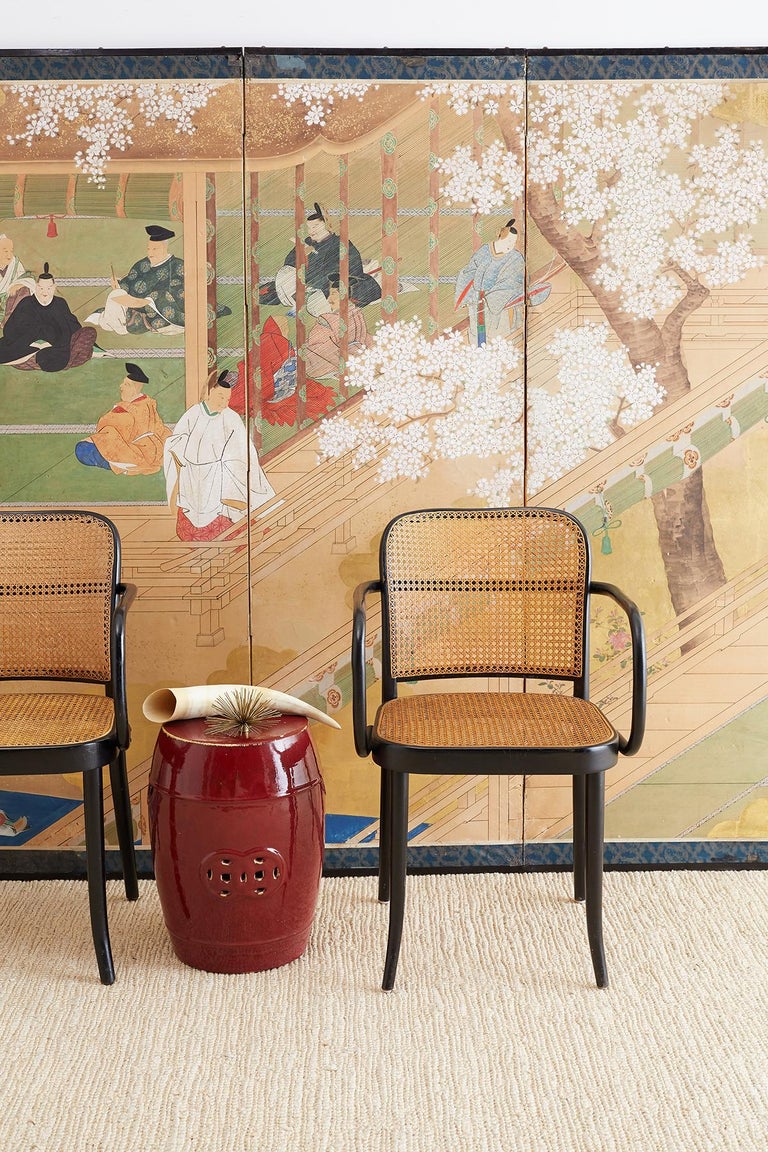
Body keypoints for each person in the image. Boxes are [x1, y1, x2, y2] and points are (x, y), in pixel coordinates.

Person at [164, 367, 275, 541]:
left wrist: (227, 463)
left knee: (227, 512)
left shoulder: (231, 418)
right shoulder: (192, 414)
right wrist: (184, 452)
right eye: (220, 397)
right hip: (192, 476)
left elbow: (242, 449)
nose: (224, 403)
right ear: (208, 393)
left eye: (228, 399)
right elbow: (175, 441)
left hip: (219, 475)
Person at [259, 202, 381, 313]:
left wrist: (313, 278)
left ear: (326, 225)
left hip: (335, 286)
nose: (311, 231)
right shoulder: (307, 242)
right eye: (309, 228)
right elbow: (290, 263)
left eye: (315, 226)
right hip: (309, 283)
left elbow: (346, 271)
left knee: (315, 308)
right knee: (269, 291)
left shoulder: (340, 244)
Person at [75, 362, 172, 475]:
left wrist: (92, 439)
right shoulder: (148, 404)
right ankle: (125, 463)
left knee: (82, 449)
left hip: (134, 453)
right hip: (150, 451)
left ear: (135, 389)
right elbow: (160, 429)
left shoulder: (128, 410)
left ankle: (121, 464)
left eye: (126, 384)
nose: (121, 386)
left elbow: (109, 427)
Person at [86, 224, 185, 335]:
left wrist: (149, 301)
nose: (150, 253)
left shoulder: (178, 266)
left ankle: (117, 321)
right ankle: (118, 319)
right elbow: (130, 280)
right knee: (116, 294)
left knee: (127, 317)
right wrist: (118, 286)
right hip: (131, 306)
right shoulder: (144, 263)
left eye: (154, 249)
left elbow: (179, 294)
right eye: (148, 249)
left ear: (165, 248)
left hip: (153, 311)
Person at [0, 262, 97, 372]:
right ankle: (64, 360)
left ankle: (58, 359)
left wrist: (52, 339)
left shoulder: (60, 303)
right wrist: (34, 338)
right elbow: (10, 330)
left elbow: (73, 328)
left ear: (54, 288)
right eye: (41, 288)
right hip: (27, 349)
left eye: (49, 288)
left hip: (57, 348)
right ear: (36, 287)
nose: (44, 292)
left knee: (88, 332)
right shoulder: (27, 303)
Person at [454, 217, 526, 346]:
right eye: (509, 240)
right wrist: (467, 296)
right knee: (478, 331)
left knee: (500, 333)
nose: (511, 245)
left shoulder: (516, 257)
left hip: (501, 301)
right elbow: (469, 271)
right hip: (478, 299)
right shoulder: (485, 251)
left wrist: (493, 297)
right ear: (501, 236)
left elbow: (516, 279)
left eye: (513, 242)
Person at [304, 274, 372, 379]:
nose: (329, 300)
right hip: (346, 357)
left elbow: (320, 347)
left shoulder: (327, 320)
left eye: (333, 294)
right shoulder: (356, 314)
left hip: (327, 361)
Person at [0, 234, 36, 329]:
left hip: (11, 301)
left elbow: (27, 279)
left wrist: (18, 285)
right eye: (5, 251)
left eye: (11, 251)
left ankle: (11, 321)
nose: (9, 255)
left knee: (24, 289)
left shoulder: (15, 264)